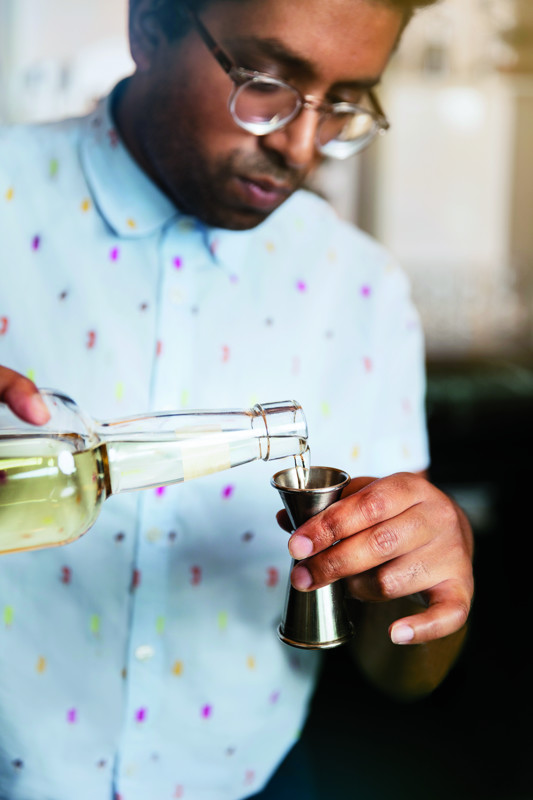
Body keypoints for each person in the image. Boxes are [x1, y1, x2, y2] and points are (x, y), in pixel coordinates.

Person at [0, 0, 474, 798]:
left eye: (345, 102)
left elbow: (402, 670)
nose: (299, 145)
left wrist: (434, 560)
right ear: (149, 27)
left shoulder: (359, 292)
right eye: (266, 81)